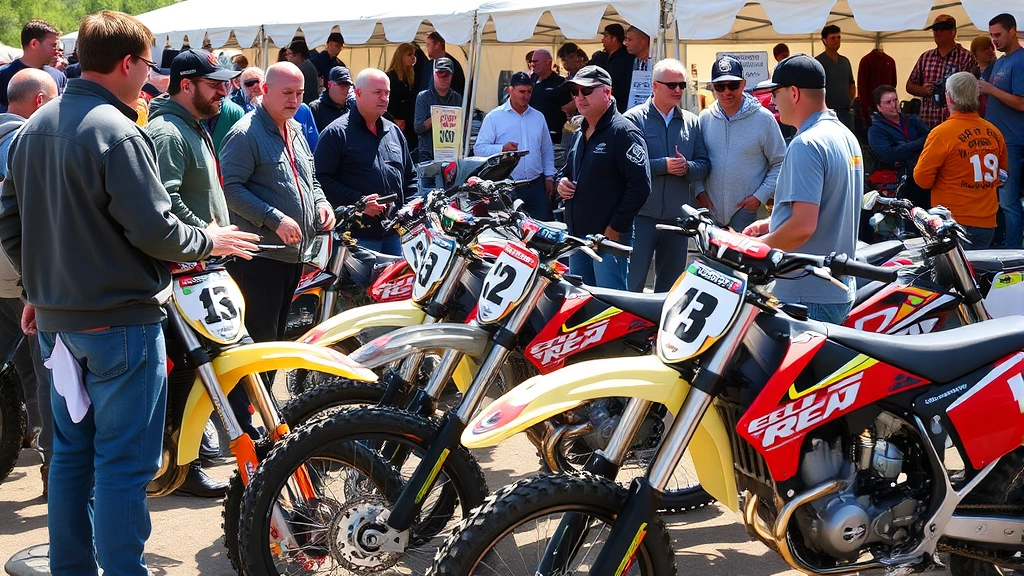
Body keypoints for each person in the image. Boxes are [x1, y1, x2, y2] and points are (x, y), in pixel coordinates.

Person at [0, 11, 259, 575]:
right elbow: (158, 231)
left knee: (71, 456)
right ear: (126, 63)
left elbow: (11, 223)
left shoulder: (34, 127)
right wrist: (209, 237)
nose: (149, 77)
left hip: (58, 321)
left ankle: (73, 568)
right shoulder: (118, 131)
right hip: (120, 322)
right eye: (146, 65)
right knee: (121, 465)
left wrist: (42, 285)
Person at [145, 50, 242, 497]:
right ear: (186, 85)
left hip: (202, 266)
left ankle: (189, 459)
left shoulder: (192, 125)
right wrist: (210, 234)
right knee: (189, 370)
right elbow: (165, 203)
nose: (225, 90)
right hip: (184, 270)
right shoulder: (168, 131)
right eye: (215, 83)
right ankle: (182, 466)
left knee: (200, 367)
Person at [220, 62, 335, 344]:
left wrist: (321, 202)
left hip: (292, 256)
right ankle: (252, 391)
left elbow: (311, 180)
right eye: (287, 93)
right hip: (259, 260)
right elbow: (229, 189)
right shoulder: (245, 133)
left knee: (277, 339)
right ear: (266, 90)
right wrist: (274, 218)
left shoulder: (295, 129)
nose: (294, 100)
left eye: (299, 93)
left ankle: (266, 390)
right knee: (259, 343)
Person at [743, 55, 863, 324]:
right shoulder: (845, 135)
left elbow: (802, 227)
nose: (773, 101)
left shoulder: (806, 144)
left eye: (775, 92)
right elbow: (828, 207)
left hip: (807, 293)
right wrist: (770, 223)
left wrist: (753, 248)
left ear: (793, 93)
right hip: (835, 289)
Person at [0, 68, 57, 498]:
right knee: (47, 374)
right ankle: (56, 470)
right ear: (39, 102)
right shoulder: (25, 141)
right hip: (19, 276)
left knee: (20, 369)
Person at [557, 65, 650, 290]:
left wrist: (614, 229)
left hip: (608, 241)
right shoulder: (580, 131)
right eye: (575, 91)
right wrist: (562, 183)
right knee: (579, 304)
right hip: (578, 237)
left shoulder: (624, 132)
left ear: (607, 92)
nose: (580, 97)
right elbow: (568, 170)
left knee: (609, 306)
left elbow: (640, 186)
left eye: (587, 91)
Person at [623, 59, 709, 293]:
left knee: (669, 291)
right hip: (640, 218)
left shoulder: (691, 122)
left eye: (682, 85)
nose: (678, 90)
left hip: (677, 220)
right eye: (671, 85)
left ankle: (659, 330)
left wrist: (687, 167)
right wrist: (664, 166)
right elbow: (624, 166)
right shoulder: (633, 120)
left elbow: (704, 165)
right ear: (655, 86)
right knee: (631, 285)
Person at [315, 69, 416, 256]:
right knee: (357, 287)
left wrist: (409, 208)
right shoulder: (336, 133)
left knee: (392, 286)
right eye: (377, 92)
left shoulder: (394, 132)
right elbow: (320, 180)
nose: (384, 98)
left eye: (387, 93)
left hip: (394, 234)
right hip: (355, 237)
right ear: (358, 92)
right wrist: (359, 203)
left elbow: (410, 176)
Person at [915, 72, 1007, 249]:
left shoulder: (942, 133)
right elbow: (1002, 176)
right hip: (987, 222)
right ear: (977, 96)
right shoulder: (994, 132)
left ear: (949, 97)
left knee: (951, 276)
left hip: (952, 223)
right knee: (976, 275)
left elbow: (922, 180)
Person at [698, 56, 785, 232]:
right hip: (709, 213)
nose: (726, 92)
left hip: (746, 214)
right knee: (707, 261)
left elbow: (780, 162)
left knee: (743, 260)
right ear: (712, 87)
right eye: (720, 87)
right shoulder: (705, 118)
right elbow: (696, 160)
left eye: (733, 85)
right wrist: (699, 192)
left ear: (744, 84)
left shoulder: (764, 119)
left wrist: (759, 197)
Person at [475, 72, 556, 220]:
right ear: (510, 90)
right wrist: (501, 149)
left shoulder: (538, 117)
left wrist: (549, 176)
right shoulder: (494, 117)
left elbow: (546, 149)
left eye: (529, 91)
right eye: (522, 92)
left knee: (540, 232)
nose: (526, 96)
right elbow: (479, 149)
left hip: (535, 186)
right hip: (507, 188)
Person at [980, 13, 1024, 249]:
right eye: (991, 35)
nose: (994, 40)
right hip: (998, 143)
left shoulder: (1020, 60)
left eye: (998, 35)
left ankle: (1015, 254)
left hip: (1013, 142)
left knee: (1009, 202)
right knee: (1002, 201)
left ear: (1012, 31)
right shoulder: (1001, 62)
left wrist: (991, 89)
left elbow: (1021, 102)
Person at [907, 14, 977, 129]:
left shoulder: (966, 57)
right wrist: (923, 90)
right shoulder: (925, 57)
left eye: (943, 28)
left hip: (955, 124)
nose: (938, 32)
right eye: (935, 29)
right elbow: (909, 86)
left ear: (953, 32)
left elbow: (972, 91)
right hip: (927, 123)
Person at [867, 85, 931, 209]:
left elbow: (930, 139)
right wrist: (917, 145)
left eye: (895, 100)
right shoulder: (875, 130)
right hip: (896, 183)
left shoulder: (912, 120)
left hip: (920, 176)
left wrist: (903, 146)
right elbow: (889, 155)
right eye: (888, 102)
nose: (894, 105)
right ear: (879, 107)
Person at [414, 57, 463, 192]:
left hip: (450, 158)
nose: (443, 78)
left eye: (446, 75)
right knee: (427, 197)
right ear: (433, 75)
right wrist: (437, 117)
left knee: (449, 195)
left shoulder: (457, 98)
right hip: (428, 159)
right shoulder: (423, 97)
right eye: (439, 74)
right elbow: (418, 128)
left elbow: (461, 128)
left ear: (451, 75)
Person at [0, 20, 67, 112]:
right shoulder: (3, 75)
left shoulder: (58, 76)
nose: (57, 51)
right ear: (34, 44)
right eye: (53, 46)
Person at [814, 25, 856, 130]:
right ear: (824, 40)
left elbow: (851, 83)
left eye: (839, 37)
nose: (836, 41)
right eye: (833, 38)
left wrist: (849, 101)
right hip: (825, 112)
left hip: (844, 111)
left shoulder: (845, 61)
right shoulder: (817, 62)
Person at [528, 49, 572, 144]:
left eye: (536, 61)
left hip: (552, 136)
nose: (533, 64)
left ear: (548, 63)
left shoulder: (560, 83)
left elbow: (570, 107)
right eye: (532, 62)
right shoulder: (530, 81)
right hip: (531, 133)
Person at [588, 24, 635, 113]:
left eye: (606, 36)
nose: (602, 39)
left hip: (620, 108)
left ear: (614, 39)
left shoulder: (628, 58)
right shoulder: (600, 57)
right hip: (599, 106)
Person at [386, 43, 419, 156]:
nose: (413, 57)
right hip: (396, 122)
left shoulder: (410, 76)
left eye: (413, 55)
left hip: (409, 124)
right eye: (409, 54)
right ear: (401, 56)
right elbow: (387, 102)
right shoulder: (390, 76)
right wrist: (393, 119)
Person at [856, 46, 897, 128]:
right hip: (871, 107)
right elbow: (862, 86)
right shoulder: (866, 61)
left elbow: (893, 84)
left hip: (886, 107)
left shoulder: (890, 61)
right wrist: (865, 108)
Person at [309, 65, 352, 131]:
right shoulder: (316, 109)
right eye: (343, 86)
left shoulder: (352, 107)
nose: (346, 90)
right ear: (330, 85)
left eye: (348, 87)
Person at [623, 27, 653, 110]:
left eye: (629, 40)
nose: (625, 43)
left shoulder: (656, 62)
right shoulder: (629, 62)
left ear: (642, 42)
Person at [287, 39, 320, 104]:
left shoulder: (304, 68)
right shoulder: (306, 66)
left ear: (298, 55)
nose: (287, 57)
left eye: (289, 53)